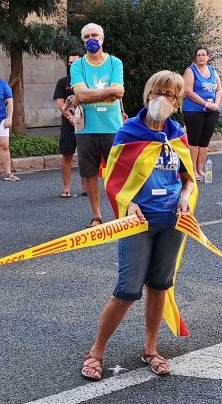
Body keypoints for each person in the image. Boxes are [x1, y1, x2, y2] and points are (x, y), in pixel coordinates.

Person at [81, 71, 195, 381]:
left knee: (159, 286)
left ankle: (151, 348)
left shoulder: (177, 135)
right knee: (127, 290)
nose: (164, 100)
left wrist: (185, 197)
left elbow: (188, 179)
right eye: (159, 93)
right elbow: (114, 178)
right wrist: (128, 202)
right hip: (137, 223)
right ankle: (96, 352)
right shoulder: (129, 131)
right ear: (147, 95)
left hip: (171, 221)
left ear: (178, 101)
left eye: (172, 95)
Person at [71, 23, 125, 228]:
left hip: (112, 127)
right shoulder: (78, 66)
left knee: (118, 172)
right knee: (89, 174)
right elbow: (80, 94)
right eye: (87, 36)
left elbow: (119, 92)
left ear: (102, 38)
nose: (91, 39)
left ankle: (122, 213)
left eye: (95, 35)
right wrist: (106, 93)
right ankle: (97, 216)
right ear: (83, 40)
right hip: (86, 129)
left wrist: (88, 95)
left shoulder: (114, 62)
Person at [181, 46, 222, 181]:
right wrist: (205, 103)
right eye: (198, 55)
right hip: (194, 111)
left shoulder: (212, 71)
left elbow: (219, 89)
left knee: (204, 142)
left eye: (204, 54)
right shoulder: (190, 71)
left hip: (211, 111)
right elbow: (188, 91)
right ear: (195, 57)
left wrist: (216, 103)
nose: (201, 57)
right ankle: (192, 170)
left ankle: (200, 169)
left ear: (208, 57)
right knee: (194, 141)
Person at [54, 51, 85, 198]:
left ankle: (86, 188)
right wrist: (70, 117)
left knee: (86, 156)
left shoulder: (87, 80)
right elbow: (60, 103)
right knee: (67, 155)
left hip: (87, 123)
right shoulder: (62, 82)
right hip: (68, 124)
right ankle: (66, 188)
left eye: (75, 63)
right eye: (70, 63)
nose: (72, 65)